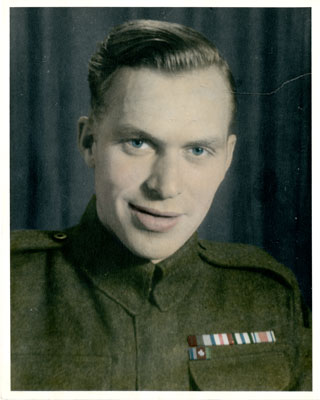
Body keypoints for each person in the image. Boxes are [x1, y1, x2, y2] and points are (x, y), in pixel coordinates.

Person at [11, 19, 311, 391]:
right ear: (89, 142)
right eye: (138, 143)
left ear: (227, 159)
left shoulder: (267, 294)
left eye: (198, 150)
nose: (165, 186)